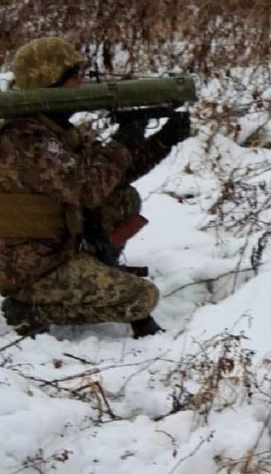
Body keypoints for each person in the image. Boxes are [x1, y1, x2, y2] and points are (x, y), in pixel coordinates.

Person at [0, 36, 190, 338]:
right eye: (74, 76)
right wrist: (123, 139)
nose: (83, 83)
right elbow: (88, 188)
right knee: (142, 298)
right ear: (49, 82)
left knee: (123, 199)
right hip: (27, 266)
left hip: (58, 248)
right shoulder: (25, 138)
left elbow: (111, 176)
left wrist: (162, 140)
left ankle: (97, 264)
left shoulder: (57, 129)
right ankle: (27, 308)